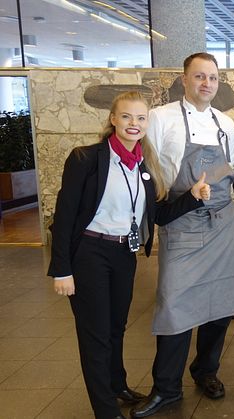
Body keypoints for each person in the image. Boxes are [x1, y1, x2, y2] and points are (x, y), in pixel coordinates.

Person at [47, 91, 208, 419]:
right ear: (113, 119)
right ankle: (106, 410)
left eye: (140, 118)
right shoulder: (86, 159)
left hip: (123, 254)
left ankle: (117, 384)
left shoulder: (143, 167)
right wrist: (61, 269)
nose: (134, 124)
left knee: (116, 327)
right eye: (126, 117)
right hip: (89, 253)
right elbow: (63, 217)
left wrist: (192, 197)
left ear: (147, 123)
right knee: (95, 335)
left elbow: (157, 215)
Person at [131, 52, 234, 418]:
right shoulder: (162, 119)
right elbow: (148, 170)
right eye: (199, 77)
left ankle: (205, 370)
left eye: (212, 77)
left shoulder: (226, 124)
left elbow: (231, 173)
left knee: (221, 305)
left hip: (222, 223)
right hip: (182, 220)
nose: (206, 84)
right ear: (184, 79)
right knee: (174, 304)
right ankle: (166, 387)